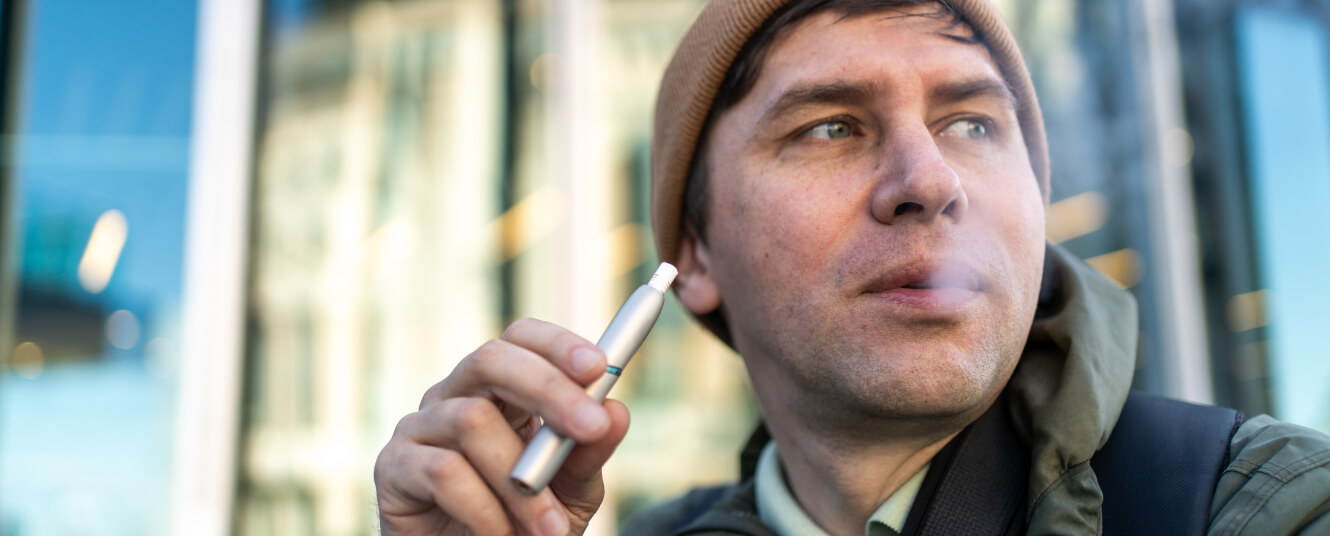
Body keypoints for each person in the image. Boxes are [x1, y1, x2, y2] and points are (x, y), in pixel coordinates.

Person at [373, 0, 1330, 534]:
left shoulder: (1263, 506)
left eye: (971, 124)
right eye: (831, 127)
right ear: (694, 255)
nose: (929, 181)